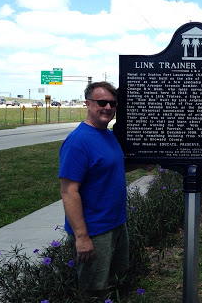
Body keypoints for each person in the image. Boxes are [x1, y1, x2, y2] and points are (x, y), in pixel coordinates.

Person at [59, 81, 128, 299]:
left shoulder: (107, 135)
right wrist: (82, 238)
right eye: (101, 102)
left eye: (112, 103)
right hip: (94, 231)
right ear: (88, 104)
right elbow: (69, 191)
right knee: (94, 292)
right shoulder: (77, 142)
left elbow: (107, 168)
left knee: (117, 283)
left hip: (116, 224)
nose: (108, 107)